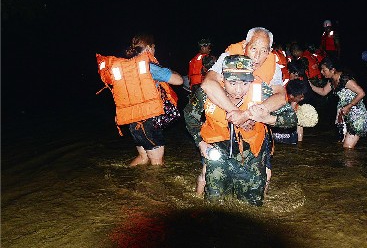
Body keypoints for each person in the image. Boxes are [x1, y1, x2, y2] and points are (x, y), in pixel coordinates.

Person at [184, 55, 297, 206]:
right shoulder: (206, 93)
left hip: (252, 158)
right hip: (219, 156)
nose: (238, 90)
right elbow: (189, 115)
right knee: (213, 205)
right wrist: (200, 143)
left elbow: (291, 118)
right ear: (223, 78)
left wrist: (266, 118)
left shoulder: (261, 91)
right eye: (232, 83)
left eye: (245, 83)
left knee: (252, 209)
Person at [96, 33, 183, 166]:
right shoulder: (149, 66)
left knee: (143, 158)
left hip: (133, 122)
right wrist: (169, 70)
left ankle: (126, 177)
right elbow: (179, 81)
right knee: (157, 163)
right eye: (154, 47)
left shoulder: (124, 67)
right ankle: (154, 186)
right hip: (149, 121)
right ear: (149, 48)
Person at [201, 27, 287, 129]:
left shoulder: (273, 67)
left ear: (269, 51)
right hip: (225, 117)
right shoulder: (228, 58)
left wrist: (247, 115)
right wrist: (237, 114)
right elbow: (208, 84)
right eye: (253, 49)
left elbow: (281, 97)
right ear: (245, 45)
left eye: (263, 50)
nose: (257, 56)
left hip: (253, 122)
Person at [309, 57, 367, 148]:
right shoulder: (332, 80)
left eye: (324, 70)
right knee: (342, 146)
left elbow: (361, 93)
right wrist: (310, 85)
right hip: (344, 115)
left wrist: (349, 106)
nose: (321, 72)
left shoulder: (345, 79)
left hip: (357, 115)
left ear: (332, 70)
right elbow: (323, 91)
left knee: (347, 147)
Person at [272, 79, 310, 144]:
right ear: (291, 96)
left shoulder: (297, 106)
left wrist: (300, 144)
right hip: (276, 130)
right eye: (301, 97)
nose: (303, 99)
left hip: (287, 134)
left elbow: (300, 126)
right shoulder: (278, 99)